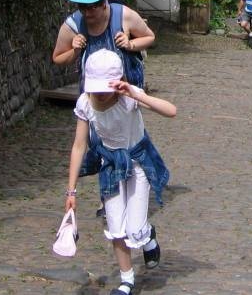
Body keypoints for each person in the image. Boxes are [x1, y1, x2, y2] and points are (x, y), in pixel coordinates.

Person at [65, 49, 176, 295]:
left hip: (137, 163)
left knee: (135, 229)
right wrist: (71, 190)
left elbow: (171, 111)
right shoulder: (85, 102)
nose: (102, 95)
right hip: (111, 166)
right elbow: (79, 145)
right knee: (116, 227)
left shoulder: (129, 97)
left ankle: (147, 237)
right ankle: (126, 280)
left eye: (106, 88)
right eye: (97, 88)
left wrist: (137, 94)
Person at [53, 0, 155, 90]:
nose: (87, 13)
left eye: (92, 7)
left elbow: (150, 37)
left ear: (104, 3)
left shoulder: (124, 15)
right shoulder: (73, 24)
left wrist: (130, 44)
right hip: (93, 98)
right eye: (82, 7)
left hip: (127, 95)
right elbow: (57, 58)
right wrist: (75, 51)